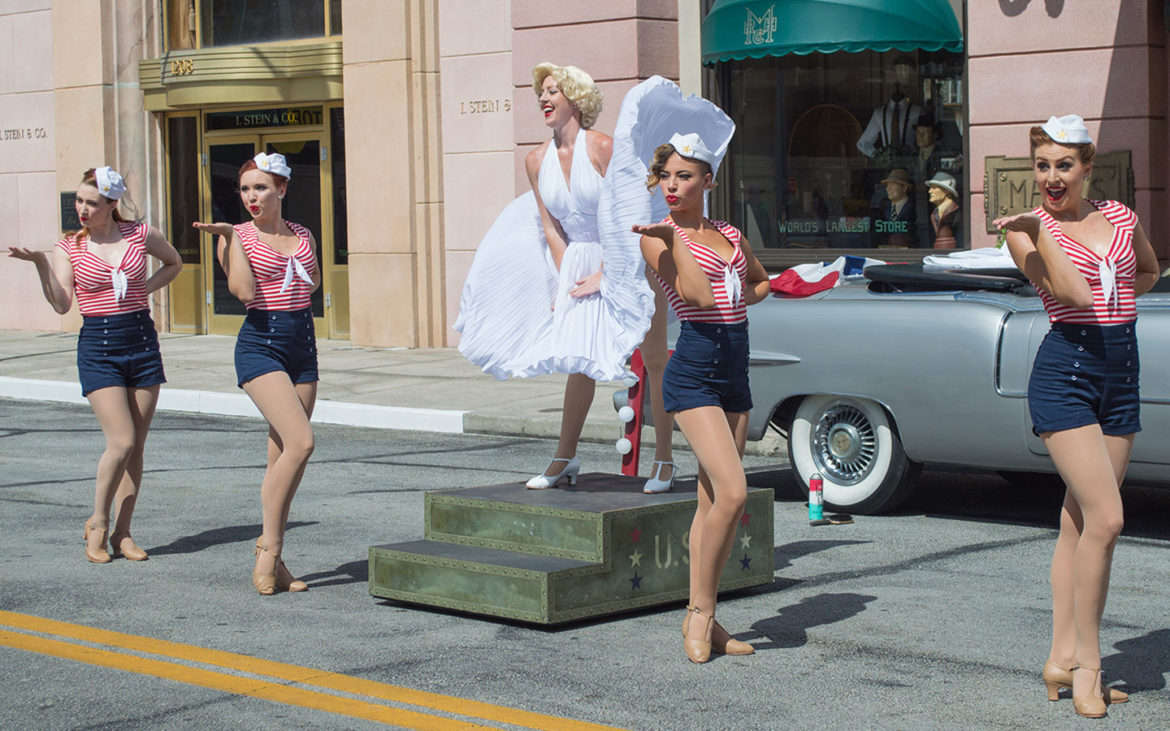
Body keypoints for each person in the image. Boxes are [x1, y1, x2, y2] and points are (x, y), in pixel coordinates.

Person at [994, 114, 1159, 718]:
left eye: (1064, 165)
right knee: (1108, 518)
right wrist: (1039, 232)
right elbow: (1074, 295)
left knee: (1080, 524)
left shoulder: (1118, 216)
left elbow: (1148, 270)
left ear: (1088, 167)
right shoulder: (1025, 232)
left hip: (1122, 368)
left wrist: (1125, 297)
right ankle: (1090, 665)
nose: (1051, 177)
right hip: (1066, 371)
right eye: (1042, 166)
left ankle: (1062, 656)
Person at [453, 63, 668, 492]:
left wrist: (607, 273)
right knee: (577, 362)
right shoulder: (536, 160)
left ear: (576, 98)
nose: (544, 98)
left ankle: (663, 460)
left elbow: (635, 212)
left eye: (553, 90)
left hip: (628, 258)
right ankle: (563, 458)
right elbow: (551, 227)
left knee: (655, 360)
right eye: (542, 92)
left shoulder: (603, 148)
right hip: (577, 263)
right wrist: (567, 278)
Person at [634, 132, 771, 663]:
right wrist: (670, 242)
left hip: (735, 364)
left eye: (684, 175)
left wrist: (747, 293)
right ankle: (700, 614)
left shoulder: (730, 233)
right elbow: (692, 295)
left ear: (708, 180)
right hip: (694, 367)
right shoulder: (656, 236)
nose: (672, 184)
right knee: (734, 494)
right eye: (666, 175)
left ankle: (704, 615)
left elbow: (759, 283)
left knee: (714, 502)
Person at [8, 166, 182, 563]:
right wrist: (39, 263)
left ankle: (124, 533)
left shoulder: (140, 234)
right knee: (120, 441)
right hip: (99, 346)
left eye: (92, 202)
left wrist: (144, 290)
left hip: (141, 340)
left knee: (136, 447)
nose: (82, 209)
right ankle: (98, 524)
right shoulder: (70, 246)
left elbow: (173, 262)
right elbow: (62, 303)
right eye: (79, 200)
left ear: (111, 205)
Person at [193, 152, 320, 596]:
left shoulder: (303, 234)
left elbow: (314, 284)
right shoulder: (234, 236)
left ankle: (277, 560)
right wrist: (233, 240)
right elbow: (244, 292)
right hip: (260, 344)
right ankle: (268, 551)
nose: (251, 196)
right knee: (302, 442)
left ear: (282, 189)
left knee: (282, 460)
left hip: (302, 345)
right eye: (245, 189)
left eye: (261, 187)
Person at [878, 168, 916, 247]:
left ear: (904, 188)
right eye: (887, 185)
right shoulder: (884, 208)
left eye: (892, 185)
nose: (888, 189)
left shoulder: (913, 208)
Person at [925, 172, 961, 249]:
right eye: (931, 188)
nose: (930, 191)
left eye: (934, 188)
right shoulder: (934, 214)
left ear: (947, 191)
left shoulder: (954, 211)